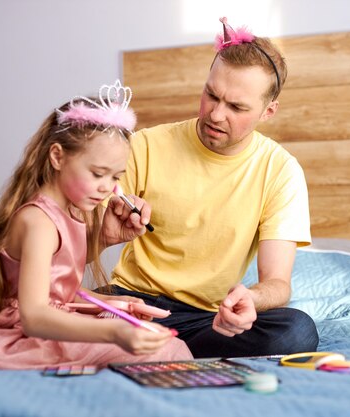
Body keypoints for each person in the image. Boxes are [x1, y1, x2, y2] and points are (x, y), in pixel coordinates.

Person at [102, 18, 319, 357]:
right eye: (211, 95)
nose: (216, 115)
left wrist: (251, 298)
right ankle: (160, 347)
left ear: (268, 111)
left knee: (297, 330)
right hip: (134, 305)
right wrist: (104, 237)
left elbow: (278, 284)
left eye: (236, 107)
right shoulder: (144, 146)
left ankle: (164, 349)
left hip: (208, 321)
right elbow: (71, 245)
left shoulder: (281, 171)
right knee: (52, 313)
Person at [0, 81, 192, 369]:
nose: (107, 188)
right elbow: (35, 316)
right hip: (21, 338)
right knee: (164, 353)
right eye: (98, 174)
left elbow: (60, 291)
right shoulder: (38, 222)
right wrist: (115, 331)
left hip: (46, 325)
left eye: (115, 178)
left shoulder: (68, 212)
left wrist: (121, 307)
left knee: (169, 347)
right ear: (57, 156)